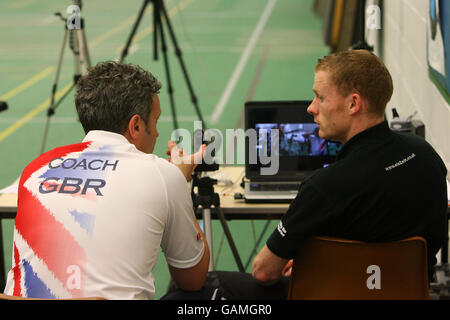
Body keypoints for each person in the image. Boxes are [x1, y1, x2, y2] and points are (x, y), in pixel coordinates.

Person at [211, 49, 448, 299]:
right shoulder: (426, 156)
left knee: (205, 286)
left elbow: (264, 272)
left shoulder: (324, 186)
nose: (312, 108)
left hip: (331, 294)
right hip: (407, 293)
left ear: (353, 104)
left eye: (320, 98)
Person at [3, 61, 210, 300]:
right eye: (155, 121)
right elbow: (193, 279)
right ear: (135, 125)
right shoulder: (163, 175)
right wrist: (178, 182)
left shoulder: (35, 170)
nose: (156, 132)